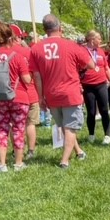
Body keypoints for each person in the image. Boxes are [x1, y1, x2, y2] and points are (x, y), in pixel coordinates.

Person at [29, 14, 94, 168]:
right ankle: (64, 161)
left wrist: (40, 97)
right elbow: (91, 64)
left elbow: (36, 77)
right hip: (70, 92)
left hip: (51, 94)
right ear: (59, 28)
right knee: (70, 126)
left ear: (44, 29)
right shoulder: (71, 45)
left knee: (65, 126)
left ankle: (79, 151)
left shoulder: (35, 48)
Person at [0, 20, 31, 172]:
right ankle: (18, 163)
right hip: (19, 97)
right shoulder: (17, 56)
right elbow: (27, 80)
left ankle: (2, 164)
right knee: (18, 129)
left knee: (2, 128)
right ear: (10, 38)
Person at [80, 30, 110, 145]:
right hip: (87, 85)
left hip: (101, 84)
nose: (101, 41)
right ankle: (91, 134)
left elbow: (107, 68)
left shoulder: (100, 52)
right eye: (99, 39)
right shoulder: (82, 52)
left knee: (104, 110)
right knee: (91, 112)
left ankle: (107, 135)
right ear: (92, 40)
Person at [10, 24, 40, 160]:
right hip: (31, 91)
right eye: (21, 37)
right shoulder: (27, 52)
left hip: (12, 94)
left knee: (14, 124)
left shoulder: (4, 52)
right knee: (30, 123)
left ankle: (15, 149)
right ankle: (31, 151)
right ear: (17, 37)